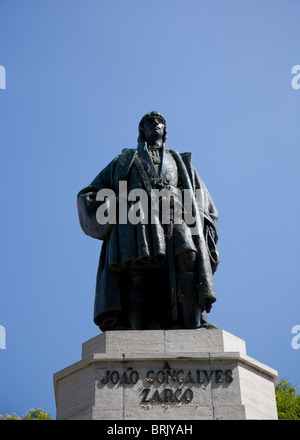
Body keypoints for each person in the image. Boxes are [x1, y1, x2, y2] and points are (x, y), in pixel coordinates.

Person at [77, 111, 219, 331]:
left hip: (177, 212)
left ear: (165, 129)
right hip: (137, 217)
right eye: (149, 122)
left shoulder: (180, 161)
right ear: (141, 130)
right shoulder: (124, 160)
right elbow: (88, 194)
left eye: (160, 122)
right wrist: (117, 201)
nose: (155, 124)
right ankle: (137, 330)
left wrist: (201, 220)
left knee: (188, 257)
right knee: (137, 271)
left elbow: (204, 201)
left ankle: (193, 323)